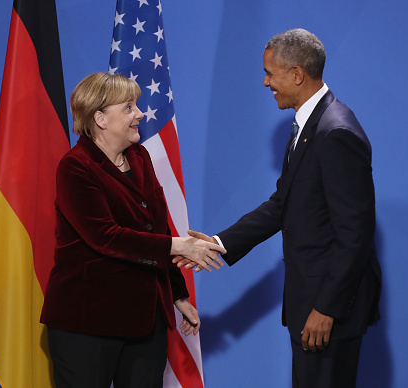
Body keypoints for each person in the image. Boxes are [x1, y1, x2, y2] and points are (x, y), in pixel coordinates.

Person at [176, 29, 382, 388]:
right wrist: (218, 243)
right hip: (312, 305)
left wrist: (327, 308)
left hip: (327, 311)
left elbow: (355, 234)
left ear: (297, 74)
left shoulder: (335, 133)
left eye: (271, 72)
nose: (265, 81)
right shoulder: (308, 126)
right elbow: (281, 204)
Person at [40, 72, 225, 388]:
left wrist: (178, 294)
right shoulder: (76, 167)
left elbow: (158, 226)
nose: (140, 114)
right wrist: (179, 246)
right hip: (87, 323)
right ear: (100, 118)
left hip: (144, 320)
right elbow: (105, 237)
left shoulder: (140, 157)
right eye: (128, 107)